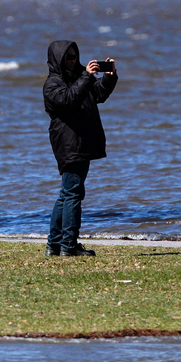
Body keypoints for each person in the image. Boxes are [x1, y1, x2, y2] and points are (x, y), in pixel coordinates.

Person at [43, 40, 118, 257]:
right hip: (69, 143)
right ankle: (68, 245)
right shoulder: (52, 84)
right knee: (73, 193)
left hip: (80, 142)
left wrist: (109, 77)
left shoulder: (79, 77)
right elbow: (69, 100)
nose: (73, 60)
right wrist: (86, 76)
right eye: (68, 57)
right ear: (58, 59)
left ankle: (54, 245)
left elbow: (98, 95)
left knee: (67, 193)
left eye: (75, 56)